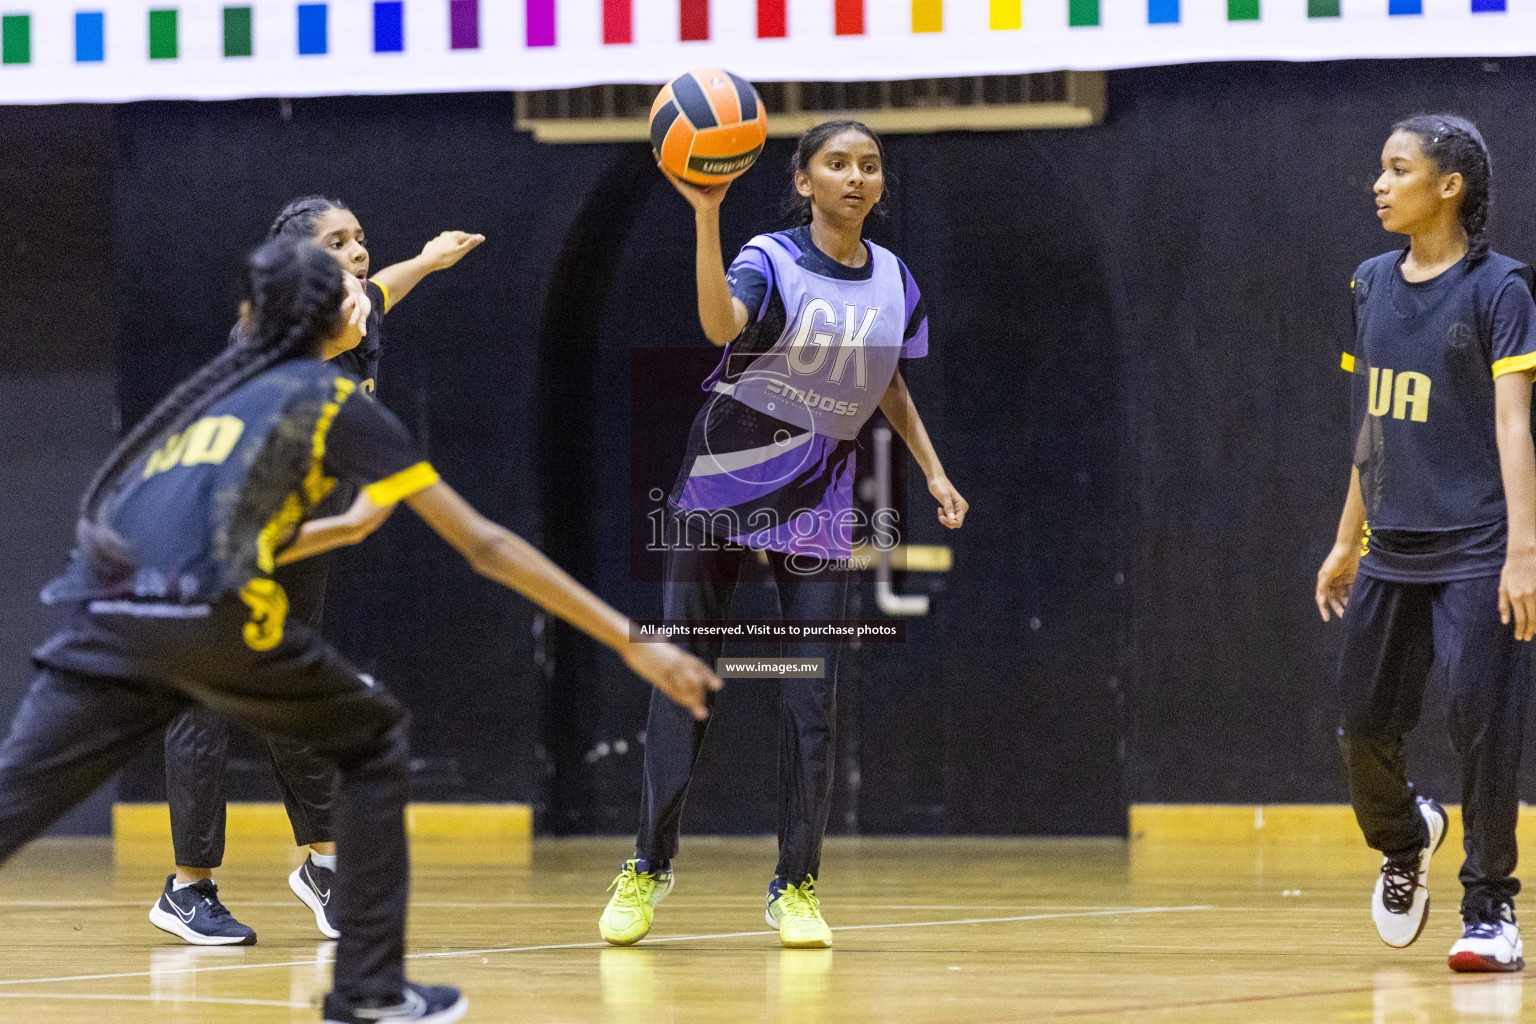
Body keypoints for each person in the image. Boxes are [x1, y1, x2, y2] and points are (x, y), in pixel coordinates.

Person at [0, 239, 720, 1024]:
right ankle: (371, 991)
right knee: (373, 744)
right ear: (338, 313)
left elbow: (194, 535)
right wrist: (628, 637)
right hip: (211, 620)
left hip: (104, 614)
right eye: (353, 285)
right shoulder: (333, 398)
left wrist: (335, 532)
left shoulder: (207, 398)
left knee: (16, 799)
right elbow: (487, 545)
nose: (366, 295)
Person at [599, 120, 968, 950]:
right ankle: (646, 866)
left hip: (822, 494)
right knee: (683, 673)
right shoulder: (768, 256)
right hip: (727, 474)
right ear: (803, 180)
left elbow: (888, 383)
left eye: (869, 165)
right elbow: (721, 326)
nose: (856, 176)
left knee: (811, 693)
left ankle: (794, 886)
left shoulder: (897, 281)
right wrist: (705, 214)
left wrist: (934, 471)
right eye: (837, 163)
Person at [153, 196, 484, 945]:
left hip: (291, 533)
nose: (359, 251)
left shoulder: (355, 307)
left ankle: (325, 864)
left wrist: (429, 259)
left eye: (361, 238)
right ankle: (187, 887)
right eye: (337, 243)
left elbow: (383, 288)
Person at [1316, 113, 1536, 973]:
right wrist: (1345, 540)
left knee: (1482, 726)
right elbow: (1371, 423)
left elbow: (1516, 426)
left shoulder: (1502, 288)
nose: (1379, 183)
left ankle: (1490, 913)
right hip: (1391, 546)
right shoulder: (1369, 284)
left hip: (1481, 545)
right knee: (1360, 727)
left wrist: (1525, 551)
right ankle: (1408, 838)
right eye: (1381, 167)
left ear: (1449, 186)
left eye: (1397, 168)